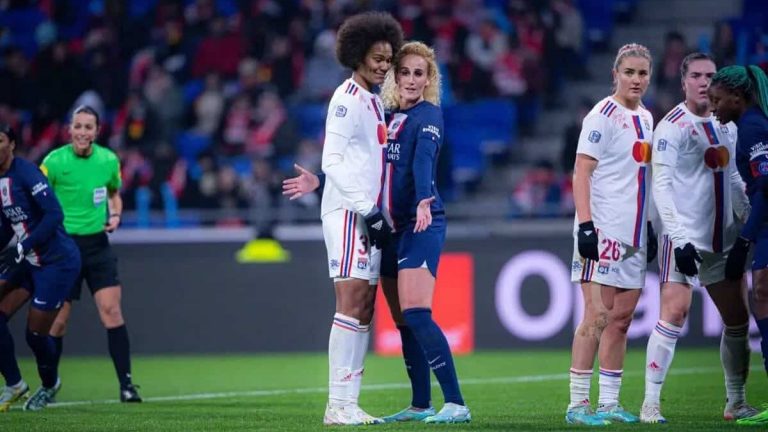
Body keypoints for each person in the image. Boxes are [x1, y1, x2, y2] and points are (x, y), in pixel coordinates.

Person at [283, 41, 471, 424]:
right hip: (388, 227)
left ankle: (455, 402)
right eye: (405, 72)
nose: (411, 80)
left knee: (417, 312)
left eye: (420, 73)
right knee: (401, 318)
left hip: (421, 222)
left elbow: (423, 163)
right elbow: (365, 165)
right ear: (395, 75)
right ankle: (421, 404)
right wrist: (319, 181)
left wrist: (422, 199)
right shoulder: (384, 112)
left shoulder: (429, 115)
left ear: (430, 79)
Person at [642, 52, 761, 424]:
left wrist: (746, 223)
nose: (704, 82)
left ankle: (736, 401)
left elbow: (737, 180)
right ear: (683, 82)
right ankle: (650, 404)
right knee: (674, 312)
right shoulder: (671, 126)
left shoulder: (728, 124)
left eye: (710, 75)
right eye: (696, 75)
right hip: (685, 238)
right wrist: (677, 238)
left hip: (724, 240)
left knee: (738, 319)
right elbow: (660, 186)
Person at [316, 12, 402, 426]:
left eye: (388, 59)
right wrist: (367, 209)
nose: (384, 65)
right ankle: (337, 404)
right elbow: (331, 160)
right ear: (357, 54)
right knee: (351, 304)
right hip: (350, 215)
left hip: (366, 215)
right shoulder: (348, 98)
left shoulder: (371, 99)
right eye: (377, 57)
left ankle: (349, 402)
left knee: (364, 308)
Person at [566, 43, 656, 426]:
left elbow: (641, 176)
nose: (636, 79)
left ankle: (609, 404)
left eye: (642, 73)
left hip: (634, 232)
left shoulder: (649, 118)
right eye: (629, 72)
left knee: (622, 319)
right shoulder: (601, 116)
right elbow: (581, 171)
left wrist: (648, 222)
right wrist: (586, 226)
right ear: (615, 74)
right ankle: (576, 406)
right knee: (597, 316)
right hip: (602, 230)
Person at [40, 105, 141, 402]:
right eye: (78, 126)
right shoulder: (54, 162)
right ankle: (49, 386)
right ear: (69, 129)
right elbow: (39, 200)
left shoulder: (108, 160)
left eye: (89, 127)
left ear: (97, 131)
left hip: (97, 245)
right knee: (58, 322)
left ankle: (126, 385)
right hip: (63, 248)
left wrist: (116, 215)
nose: (83, 132)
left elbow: (113, 192)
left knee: (111, 311)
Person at [0, 124, 81, 411]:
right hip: (27, 259)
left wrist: (23, 245)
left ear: (11, 144)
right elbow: (5, 224)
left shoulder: (26, 172)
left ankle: (49, 385)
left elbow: (54, 214)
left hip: (56, 263)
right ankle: (14, 384)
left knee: (34, 335)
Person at [709, 64, 768, 426]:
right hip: (762, 229)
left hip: (765, 229)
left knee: (762, 294)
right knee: (761, 297)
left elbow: (765, 188)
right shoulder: (750, 124)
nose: (713, 106)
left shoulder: (752, 128)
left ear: (737, 97)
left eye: (717, 99)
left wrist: (745, 238)